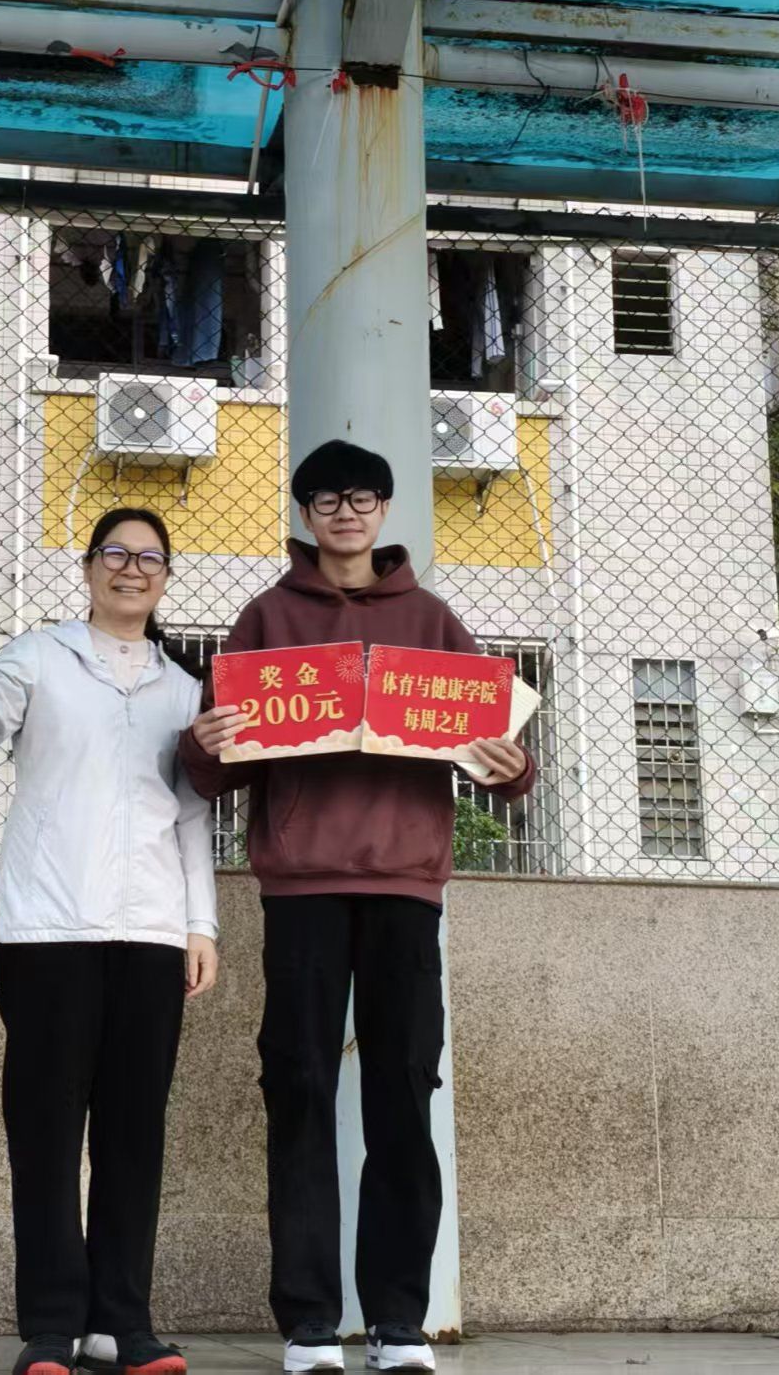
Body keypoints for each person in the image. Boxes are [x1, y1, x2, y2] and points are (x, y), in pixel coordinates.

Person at [178, 442, 534, 1375]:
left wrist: (512, 767)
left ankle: (398, 1322)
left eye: (364, 495)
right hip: (301, 888)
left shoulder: (431, 620)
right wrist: (205, 742)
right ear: (305, 512)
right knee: (298, 1087)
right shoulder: (267, 617)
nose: (346, 510)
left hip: (406, 888)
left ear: (384, 509)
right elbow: (210, 767)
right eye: (327, 497)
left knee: (403, 1096)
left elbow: (497, 752)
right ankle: (308, 1323)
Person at [0, 508, 218, 1375]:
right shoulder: (40, 657)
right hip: (47, 928)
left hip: (152, 933)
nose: (132, 568)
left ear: (166, 577)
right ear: (89, 569)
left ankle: (122, 1323)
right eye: (115, 553)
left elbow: (191, 816)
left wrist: (200, 925)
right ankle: (51, 1326)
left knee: (134, 1132)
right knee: (46, 1131)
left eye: (150, 557)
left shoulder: (184, 688)